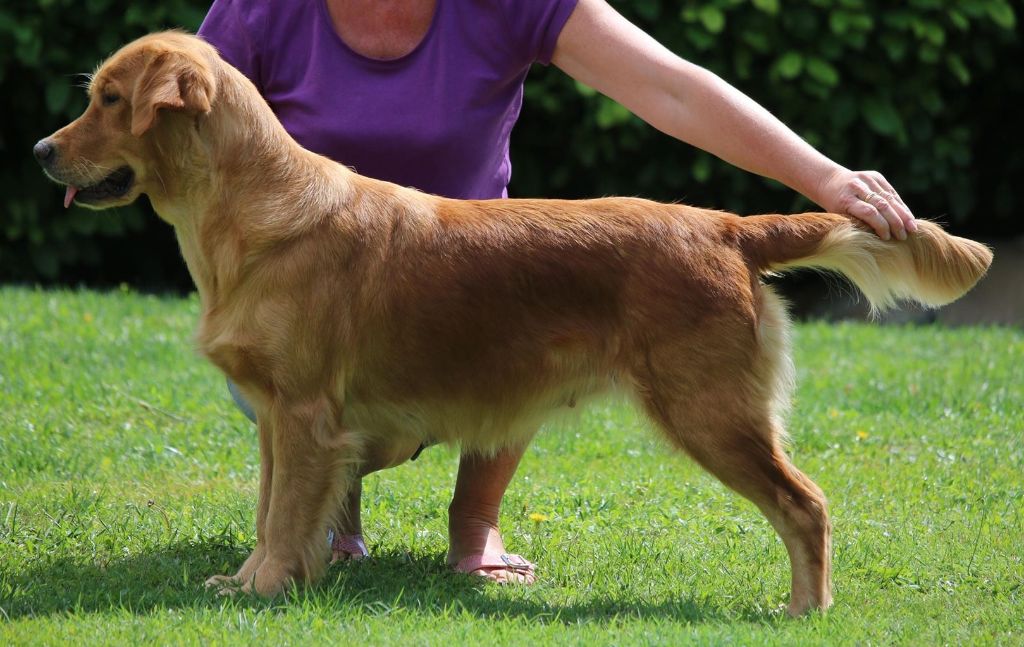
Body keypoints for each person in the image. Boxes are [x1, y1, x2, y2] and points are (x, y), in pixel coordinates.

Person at [198, 0, 917, 584]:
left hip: (478, 306)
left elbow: (669, 85)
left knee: (528, 303)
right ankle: (330, 526)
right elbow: (179, 113)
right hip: (320, 306)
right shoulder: (261, 9)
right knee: (294, 372)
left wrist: (823, 179)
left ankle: (476, 523)